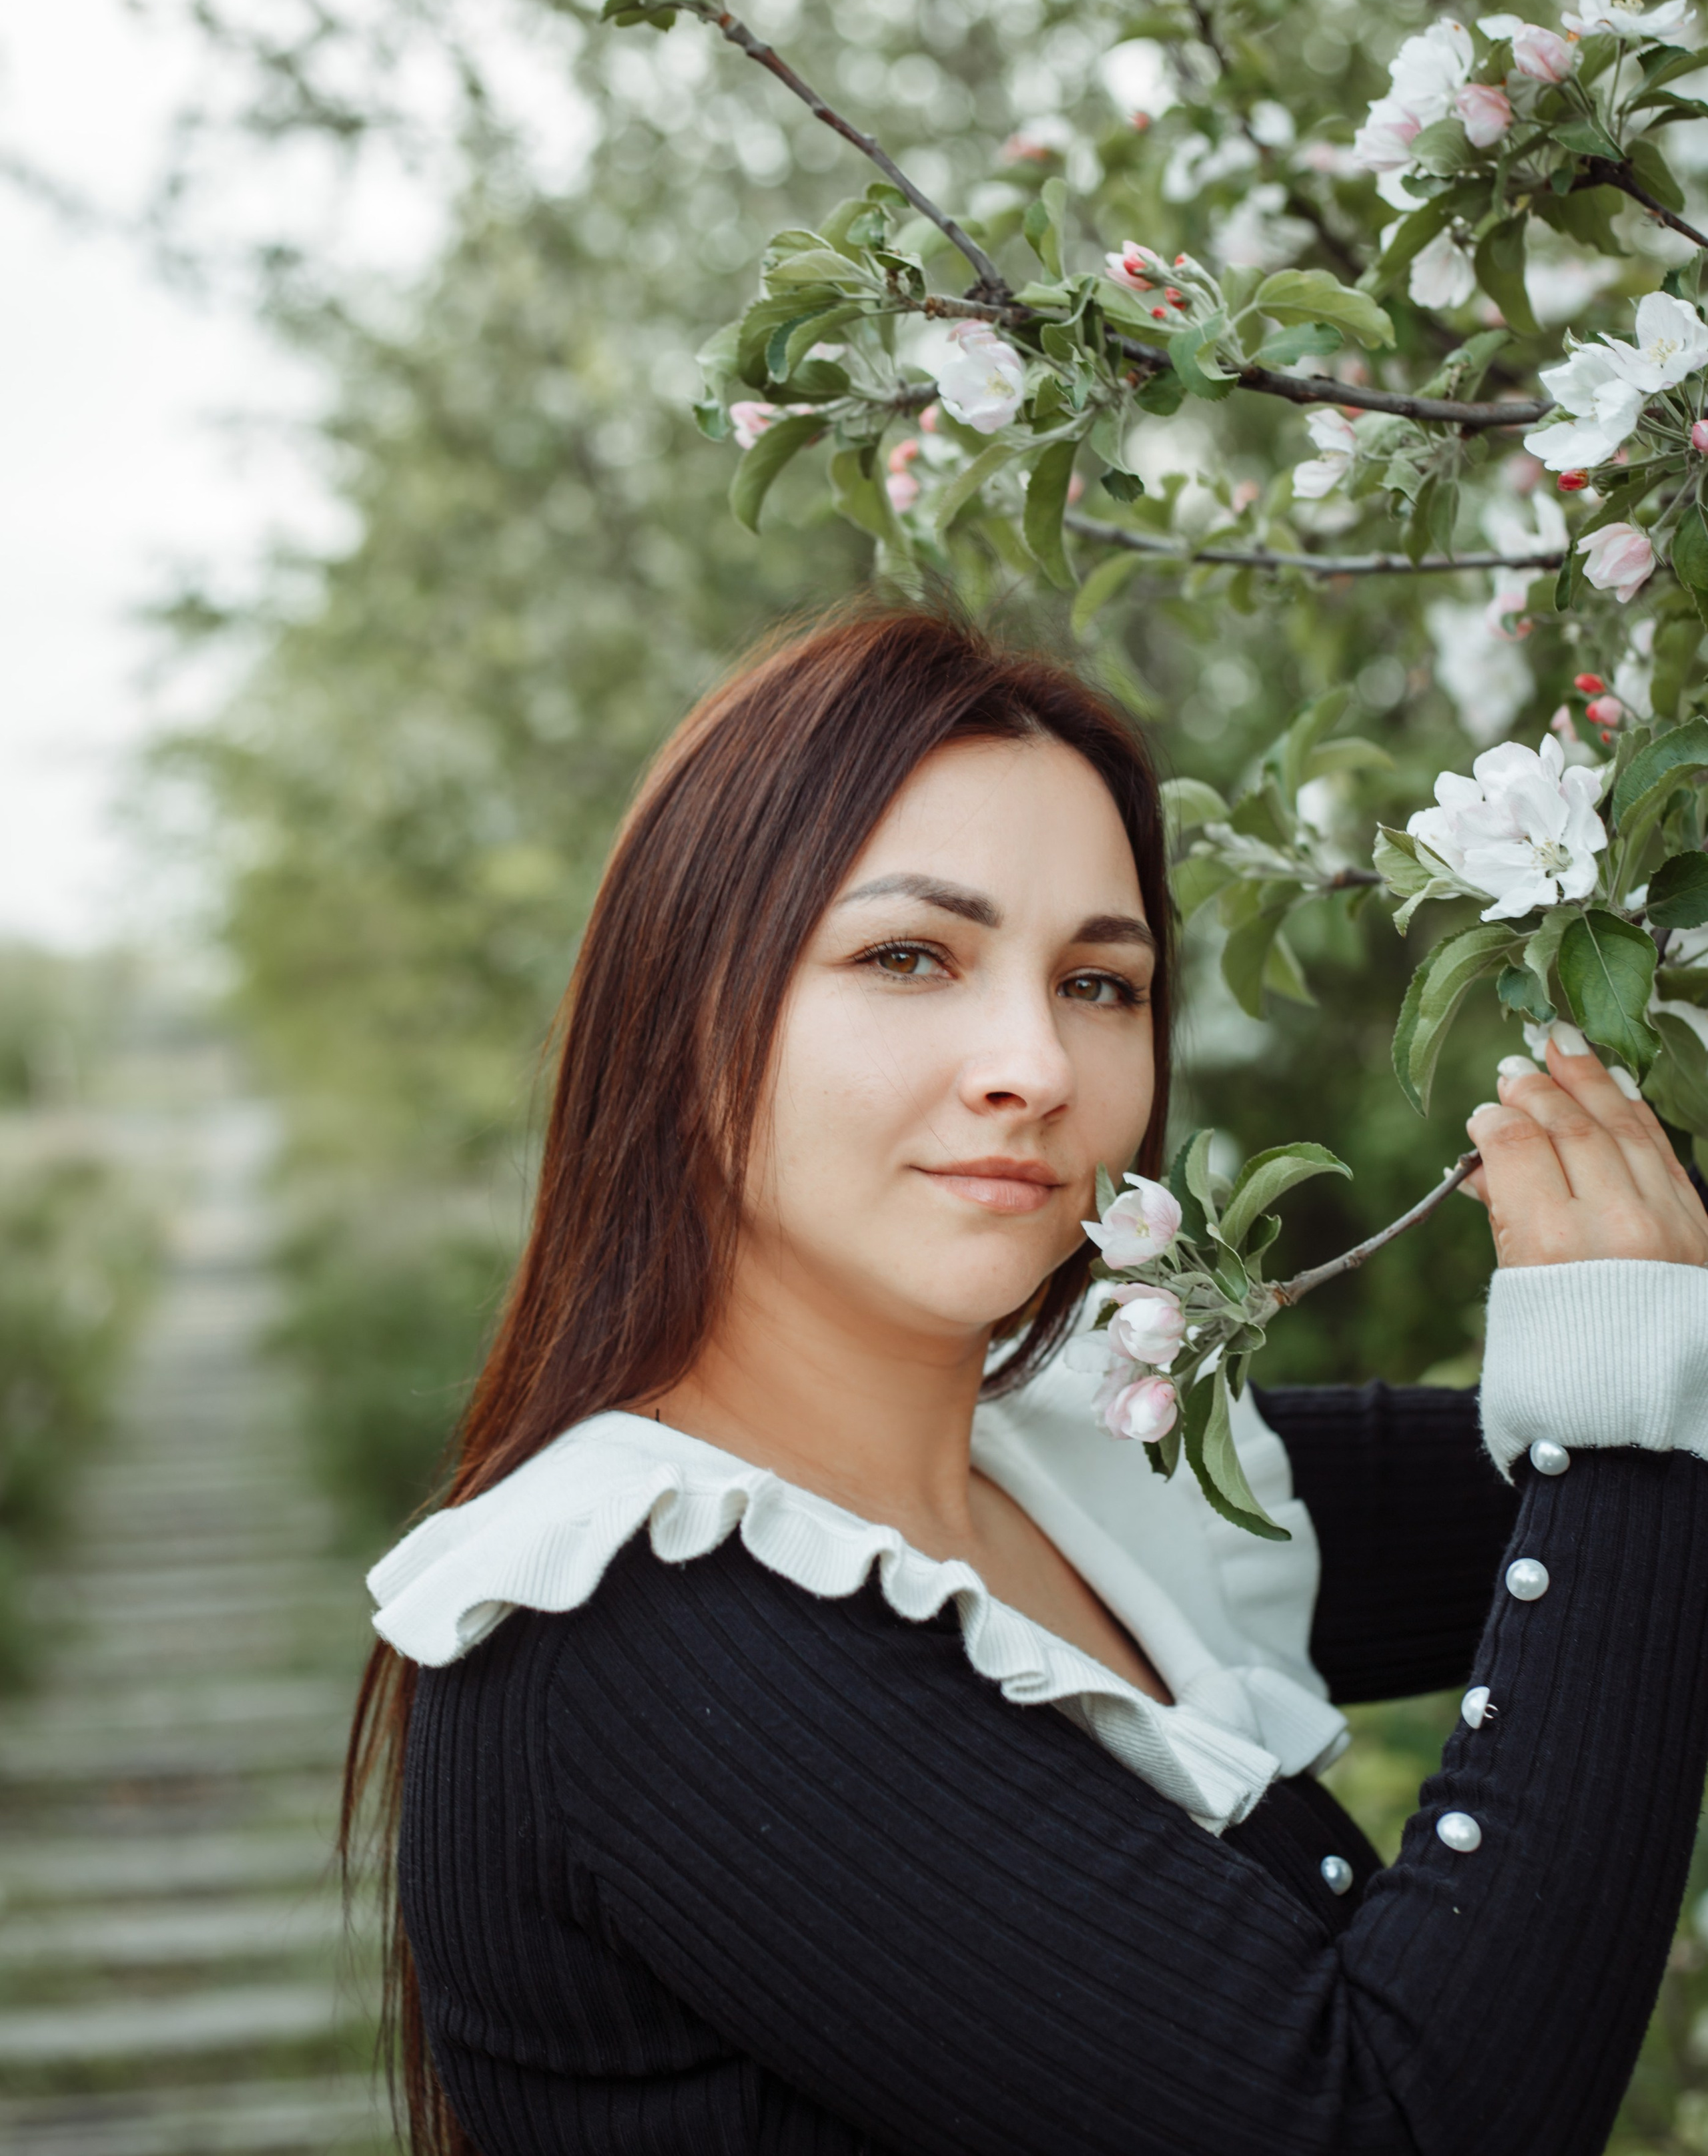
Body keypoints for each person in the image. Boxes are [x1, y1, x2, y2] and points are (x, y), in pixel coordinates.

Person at [349, 603, 1708, 2156]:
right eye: (907, 955)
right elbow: (1389, 2124)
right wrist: (1621, 1417)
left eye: (1098, 982)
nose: (1038, 1066)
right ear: (681, 1014)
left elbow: (1634, 1548)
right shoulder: (633, 1633)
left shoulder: (1070, 1461)